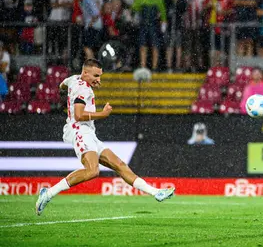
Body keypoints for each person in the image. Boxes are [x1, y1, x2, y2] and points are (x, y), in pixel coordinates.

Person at [35, 59, 175, 215]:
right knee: (92, 171)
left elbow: (63, 84)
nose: (98, 80)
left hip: (89, 133)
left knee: (119, 164)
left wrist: (64, 90)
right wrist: (102, 114)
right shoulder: (83, 90)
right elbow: (79, 115)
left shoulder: (74, 79)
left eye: (100, 76)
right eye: (96, 76)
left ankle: (156, 193)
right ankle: (48, 193)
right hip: (79, 131)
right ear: (85, 73)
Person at [132, 0, 167, 71]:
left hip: (154, 25)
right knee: (143, 46)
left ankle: (154, 67)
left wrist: (164, 23)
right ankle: (143, 66)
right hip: (143, 25)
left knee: (155, 46)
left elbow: (163, 12)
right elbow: (134, 8)